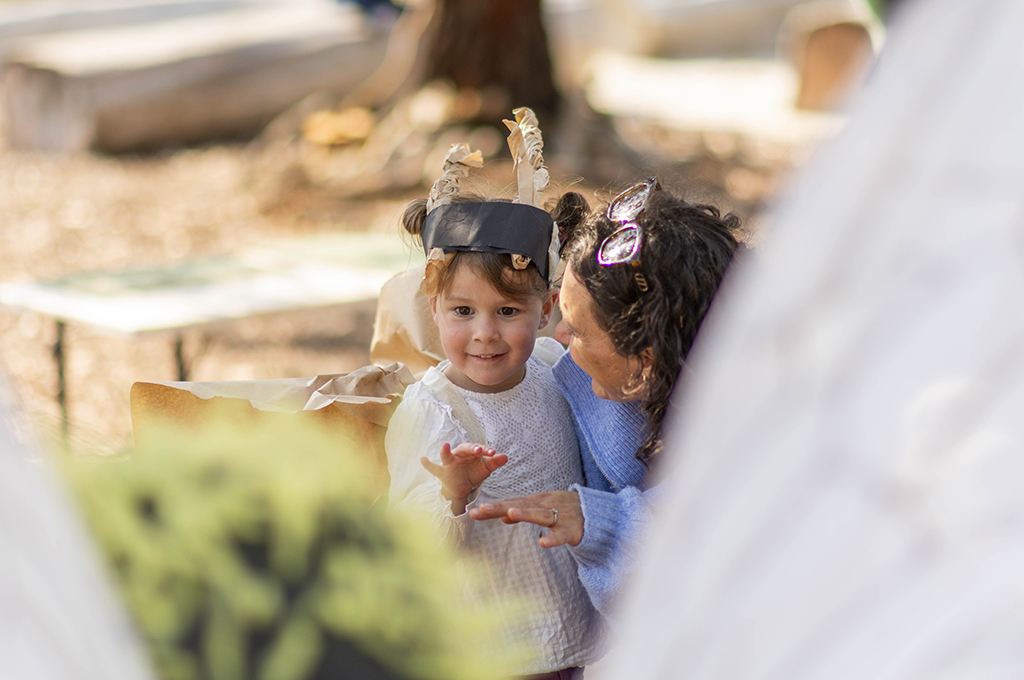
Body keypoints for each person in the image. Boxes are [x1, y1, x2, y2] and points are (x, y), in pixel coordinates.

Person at [470, 177, 743, 618]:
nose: (557, 335)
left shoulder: (763, 433)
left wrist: (607, 524)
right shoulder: (626, 386)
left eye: (576, 331)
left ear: (647, 361)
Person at [386, 137, 601, 678]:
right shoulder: (432, 409)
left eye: (507, 310)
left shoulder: (554, 364)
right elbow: (405, 545)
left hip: (575, 626)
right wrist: (452, 493)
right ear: (433, 308)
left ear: (547, 308)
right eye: (463, 310)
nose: (485, 334)